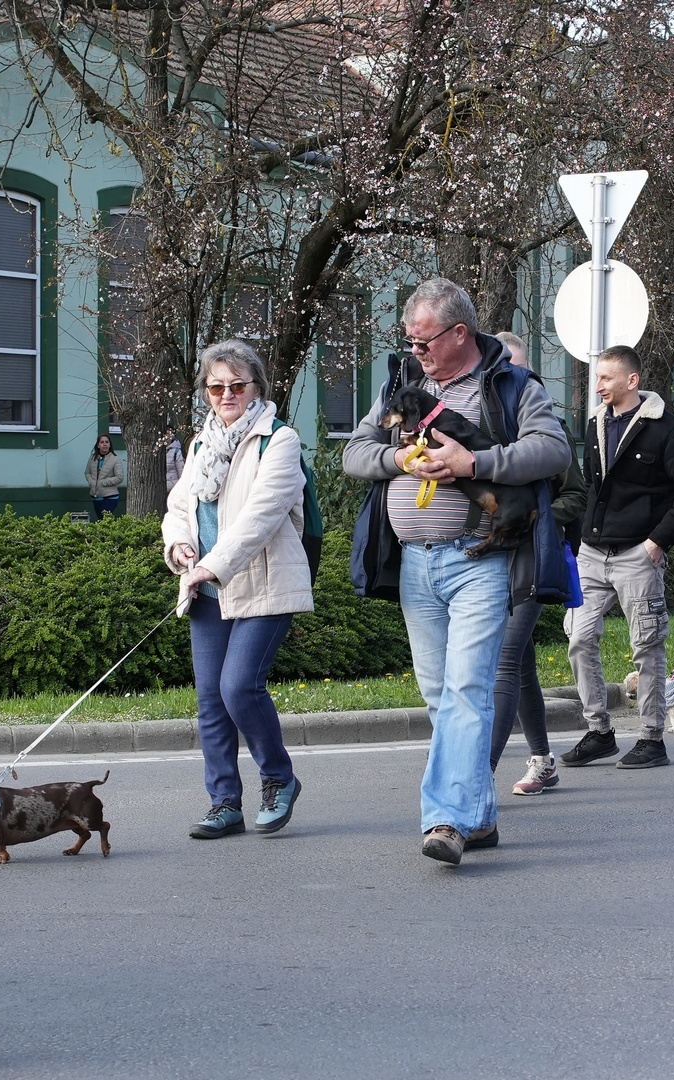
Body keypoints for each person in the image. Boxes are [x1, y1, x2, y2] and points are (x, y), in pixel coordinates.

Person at [345, 279, 571, 864]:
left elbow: (553, 451)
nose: (415, 351)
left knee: (468, 689)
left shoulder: (512, 384)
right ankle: (481, 817)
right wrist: (399, 457)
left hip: (481, 559)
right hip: (414, 563)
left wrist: (476, 462)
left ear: (460, 333)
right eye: (410, 341)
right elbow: (355, 454)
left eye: (424, 341)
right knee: (439, 696)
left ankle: (446, 821)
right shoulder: (402, 385)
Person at [163, 340, 313, 839]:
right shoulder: (200, 444)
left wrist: (211, 565)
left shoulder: (280, 440)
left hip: (264, 585)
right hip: (206, 590)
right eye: (216, 387)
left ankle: (279, 778)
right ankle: (224, 803)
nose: (226, 395)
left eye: (237, 385)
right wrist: (180, 545)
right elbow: (178, 507)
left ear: (256, 388)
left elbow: (261, 517)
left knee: (238, 687)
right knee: (211, 700)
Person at [561, 344, 674, 770]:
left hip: (637, 555)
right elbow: (592, 488)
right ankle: (599, 732)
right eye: (597, 377)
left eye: (606, 377)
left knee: (646, 647)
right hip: (592, 553)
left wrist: (657, 541)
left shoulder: (668, 430)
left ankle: (651, 738)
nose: (598, 385)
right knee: (579, 638)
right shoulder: (595, 423)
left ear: (632, 380)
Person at [488, 331, 586, 796]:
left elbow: (576, 496)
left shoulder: (550, 430)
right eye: (500, 368)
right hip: (488, 560)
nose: (508, 375)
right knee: (521, 662)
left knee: (503, 659)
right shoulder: (479, 423)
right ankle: (543, 760)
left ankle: (476, 777)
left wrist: (535, 519)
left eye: (516, 367)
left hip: (532, 556)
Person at [85, 433, 125, 519]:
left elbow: (119, 477)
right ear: (98, 445)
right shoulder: (92, 458)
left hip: (110, 496)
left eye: (107, 442)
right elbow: (87, 473)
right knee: (101, 520)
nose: (104, 444)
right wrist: (92, 482)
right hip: (96, 496)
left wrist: (103, 482)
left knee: (103, 519)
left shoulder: (115, 459)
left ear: (110, 445)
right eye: (102, 442)